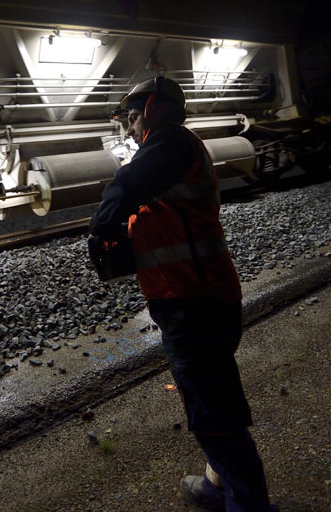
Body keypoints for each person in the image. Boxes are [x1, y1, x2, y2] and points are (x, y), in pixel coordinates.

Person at [89, 76, 275, 511]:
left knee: (213, 409)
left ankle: (247, 504)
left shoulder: (169, 142)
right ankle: (216, 485)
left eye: (132, 117)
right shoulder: (174, 150)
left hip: (195, 301)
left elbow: (124, 186)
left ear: (151, 108)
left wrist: (102, 225)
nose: (130, 127)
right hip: (193, 295)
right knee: (208, 396)